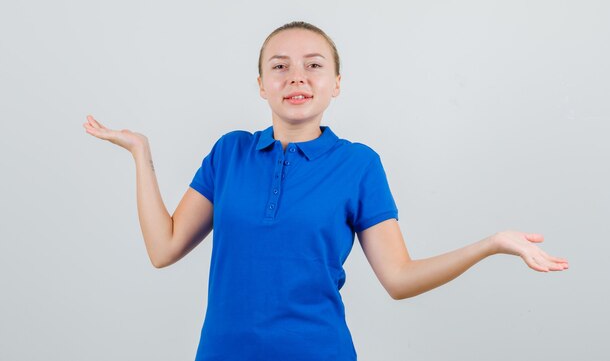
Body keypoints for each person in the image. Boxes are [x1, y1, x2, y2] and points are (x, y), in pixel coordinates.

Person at [83, 21, 568, 361]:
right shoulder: (229, 154)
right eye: (279, 66)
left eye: (314, 66)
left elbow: (399, 279)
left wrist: (491, 244)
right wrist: (140, 154)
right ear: (260, 85)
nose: (296, 76)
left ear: (336, 84)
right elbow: (163, 248)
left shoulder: (358, 165)